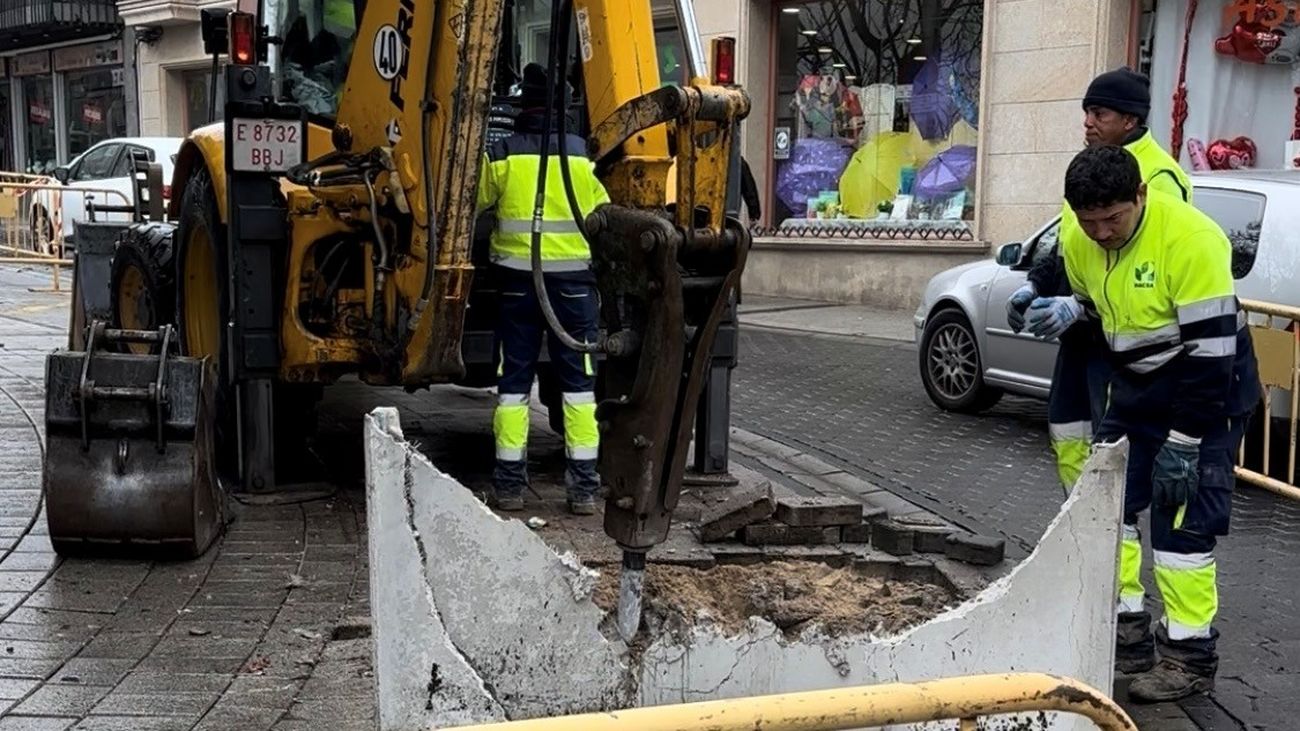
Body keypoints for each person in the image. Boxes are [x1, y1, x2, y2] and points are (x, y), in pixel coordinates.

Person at [1059, 145, 1259, 701]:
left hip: (1208, 389)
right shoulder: (1080, 238)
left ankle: (1189, 656)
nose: (1101, 233)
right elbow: (1095, 305)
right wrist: (1066, 309)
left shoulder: (1191, 241)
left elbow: (1213, 358)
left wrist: (1185, 442)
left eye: (1113, 219)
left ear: (1141, 196)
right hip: (1139, 386)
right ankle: (1126, 633)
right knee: (1109, 506)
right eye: (1089, 221)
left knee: (1181, 526)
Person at [1007, 67, 1191, 492]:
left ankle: (1108, 541)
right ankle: (1078, 531)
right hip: (1083, 337)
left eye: (1099, 113)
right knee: (1069, 434)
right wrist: (1034, 284)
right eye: (1087, 112)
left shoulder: (1158, 177)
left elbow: (1143, 260)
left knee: (1112, 450)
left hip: (1122, 342)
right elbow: (1070, 242)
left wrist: (1080, 305)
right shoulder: (1089, 169)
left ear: (1130, 120)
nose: (1088, 122)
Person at [477, 63, 609, 516]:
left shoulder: (502, 154)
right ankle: (584, 489)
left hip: (517, 288)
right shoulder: (581, 156)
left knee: (513, 385)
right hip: (573, 290)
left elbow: (472, 202)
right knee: (578, 388)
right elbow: (602, 215)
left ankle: (510, 485)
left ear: (521, 106)